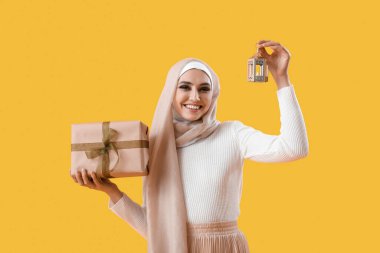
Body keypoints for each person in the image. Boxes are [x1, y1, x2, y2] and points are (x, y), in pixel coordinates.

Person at [71, 39, 309, 253]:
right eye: (185, 87)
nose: (195, 97)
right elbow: (157, 232)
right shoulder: (156, 145)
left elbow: (294, 148)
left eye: (204, 89)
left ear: (213, 95)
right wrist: (111, 191)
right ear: (170, 93)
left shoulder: (232, 134)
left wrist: (281, 79)